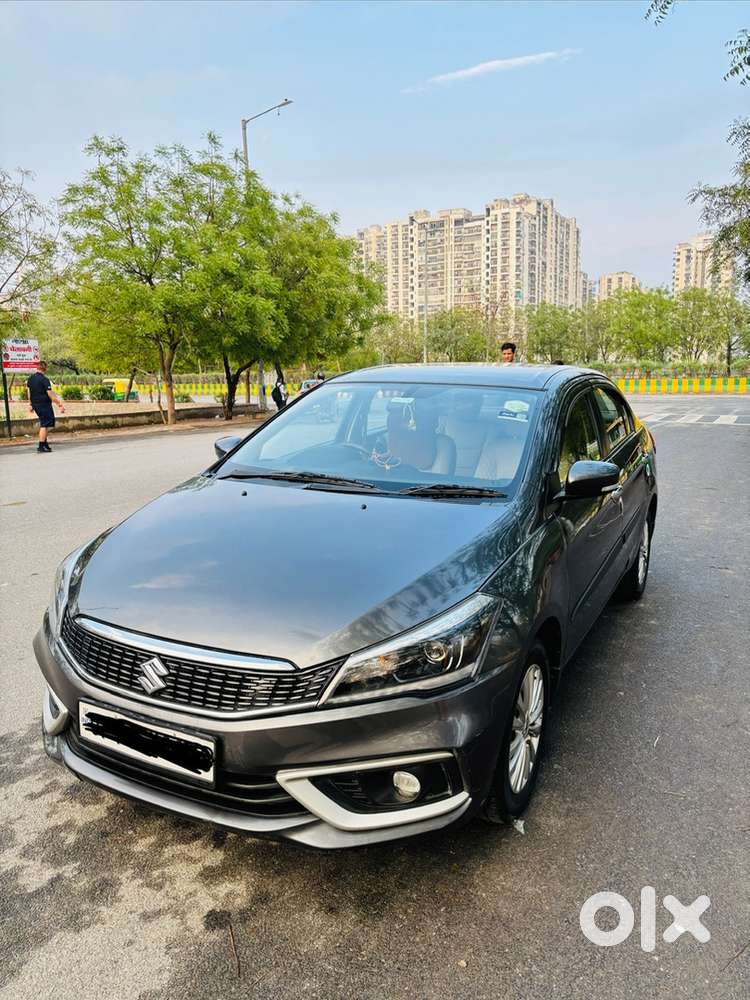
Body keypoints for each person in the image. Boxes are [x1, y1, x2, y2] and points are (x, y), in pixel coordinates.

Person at [27, 361, 64, 453]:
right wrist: (59, 404)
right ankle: (41, 445)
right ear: (45, 368)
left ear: (37, 368)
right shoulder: (44, 379)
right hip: (44, 404)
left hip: (36, 404)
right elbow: (50, 394)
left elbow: (29, 392)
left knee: (46, 424)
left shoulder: (30, 379)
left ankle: (45, 444)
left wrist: (31, 404)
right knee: (45, 424)